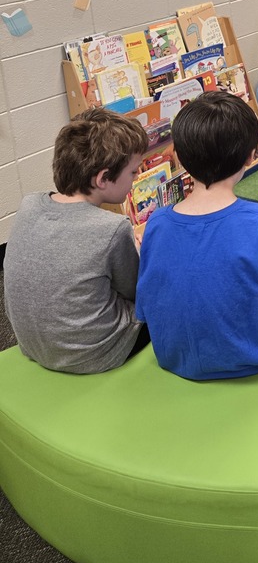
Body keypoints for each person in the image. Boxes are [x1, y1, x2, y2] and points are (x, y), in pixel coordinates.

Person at [135, 92, 258, 381]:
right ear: (252, 155)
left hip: (175, 359)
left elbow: (146, 309)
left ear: (179, 157)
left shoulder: (156, 224)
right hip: (255, 359)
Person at [3, 108, 149, 374]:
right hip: (96, 354)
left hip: (31, 344)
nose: (136, 178)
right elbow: (137, 290)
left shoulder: (29, 204)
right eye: (133, 172)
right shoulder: (112, 228)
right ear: (103, 178)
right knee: (167, 292)